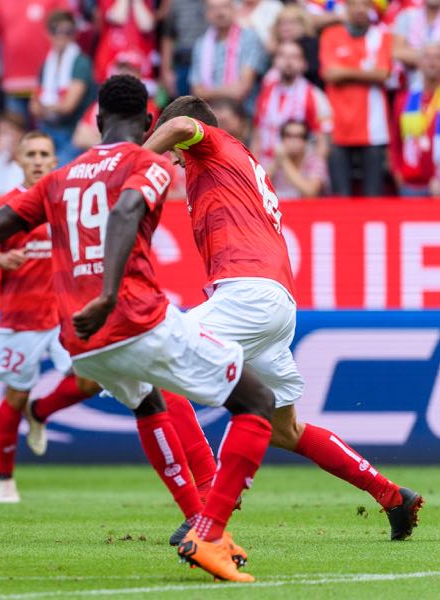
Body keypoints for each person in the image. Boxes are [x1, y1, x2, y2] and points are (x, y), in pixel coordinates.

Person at [0, 75, 279, 582]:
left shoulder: (61, 177)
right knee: (257, 403)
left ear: (95, 122)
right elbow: (125, 209)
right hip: (134, 317)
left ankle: (195, 520)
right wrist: (112, 293)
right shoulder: (150, 164)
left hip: (83, 340)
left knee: (149, 403)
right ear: (147, 122)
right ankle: (208, 530)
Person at [145, 94, 423, 544]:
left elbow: (181, 129)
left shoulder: (208, 143)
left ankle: (207, 499)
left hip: (248, 294)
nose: (175, 165)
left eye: (175, 158)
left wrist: (137, 160)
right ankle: (392, 495)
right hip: (273, 302)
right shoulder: (239, 161)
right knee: (284, 429)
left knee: (155, 370)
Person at [0, 131, 101, 503]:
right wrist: (1, 259)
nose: (39, 160)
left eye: (45, 154)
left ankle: (40, 412)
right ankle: (3, 476)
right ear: (20, 161)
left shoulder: (69, 203)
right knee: (14, 395)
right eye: (32, 154)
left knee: (91, 382)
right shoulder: (6, 206)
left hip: (64, 317)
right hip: (21, 318)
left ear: (55, 160)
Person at [320, 0, 393, 197]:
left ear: (371, 9)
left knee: (373, 195)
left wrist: (345, 72)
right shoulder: (331, 34)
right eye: (354, 4)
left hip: (373, 128)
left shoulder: (382, 36)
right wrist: (367, 72)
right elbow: (330, 74)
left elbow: (383, 74)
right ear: (347, 8)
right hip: (338, 126)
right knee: (340, 195)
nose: (360, 9)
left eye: (365, 5)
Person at [252, 41, 332, 163]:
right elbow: (257, 135)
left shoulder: (315, 96)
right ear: (274, 62)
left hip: (298, 168)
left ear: (304, 64)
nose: (288, 61)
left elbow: (322, 144)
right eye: (282, 56)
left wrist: (311, 174)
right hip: (266, 165)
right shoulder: (266, 91)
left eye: (295, 57)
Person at [32, 11, 94, 166]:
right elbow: (33, 106)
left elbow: (68, 106)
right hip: (47, 131)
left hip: (71, 133)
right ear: (48, 33)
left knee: (55, 174)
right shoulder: (46, 64)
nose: (61, 36)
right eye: (55, 30)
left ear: (74, 34)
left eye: (67, 31)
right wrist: (48, 108)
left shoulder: (81, 62)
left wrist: (44, 107)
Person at [190, 0, 268, 118]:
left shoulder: (250, 38)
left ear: (235, 9)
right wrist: (228, 90)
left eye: (224, 7)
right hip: (210, 116)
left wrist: (208, 92)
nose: (219, 13)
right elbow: (196, 92)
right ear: (206, 14)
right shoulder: (201, 44)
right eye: (213, 8)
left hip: (243, 116)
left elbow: (241, 90)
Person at [391, 43, 440, 196]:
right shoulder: (403, 100)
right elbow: (395, 140)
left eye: (437, 58)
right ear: (419, 63)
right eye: (427, 57)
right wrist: (398, 173)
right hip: (411, 183)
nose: (432, 62)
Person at [266, 119, 328, 198]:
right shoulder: (273, 158)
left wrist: (285, 162)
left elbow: (311, 192)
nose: (293, 140)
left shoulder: (315, 161)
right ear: (282, 139)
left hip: (306, 209)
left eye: (299, 136)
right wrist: (275, 164)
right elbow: (258, 188)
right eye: (288, 135)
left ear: (306, 141)